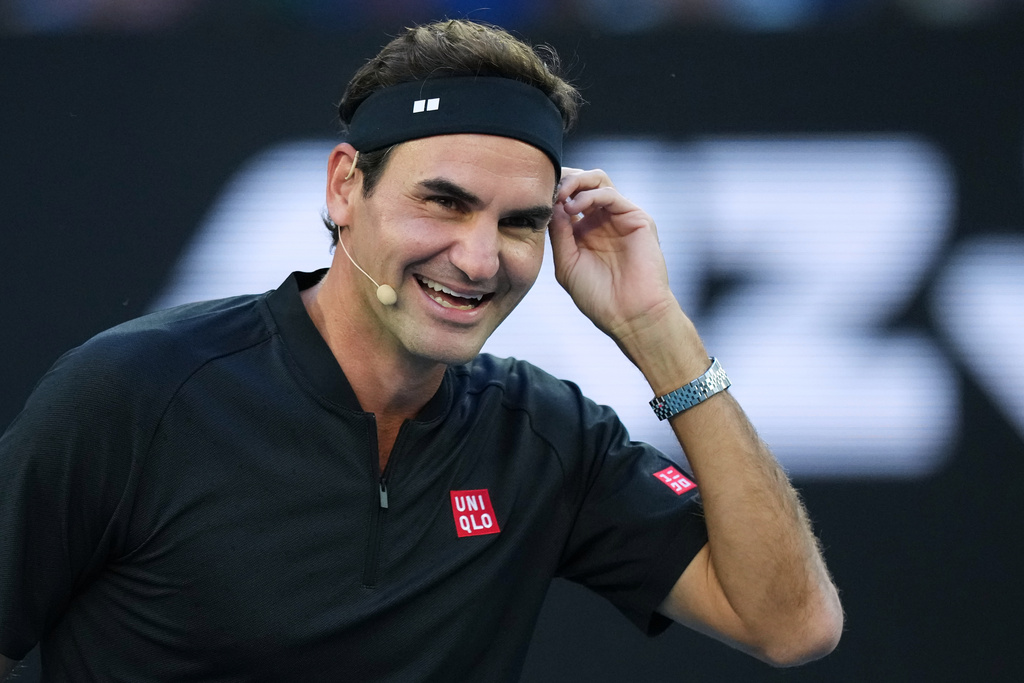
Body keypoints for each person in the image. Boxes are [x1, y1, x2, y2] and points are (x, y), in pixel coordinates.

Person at [0, 19, 842, 682]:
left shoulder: (545, 435)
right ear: (344, 187)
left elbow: (791, 625)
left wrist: (657, 329)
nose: (479, 259)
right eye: (443, 203)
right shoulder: (135, 395)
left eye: (518, 223)